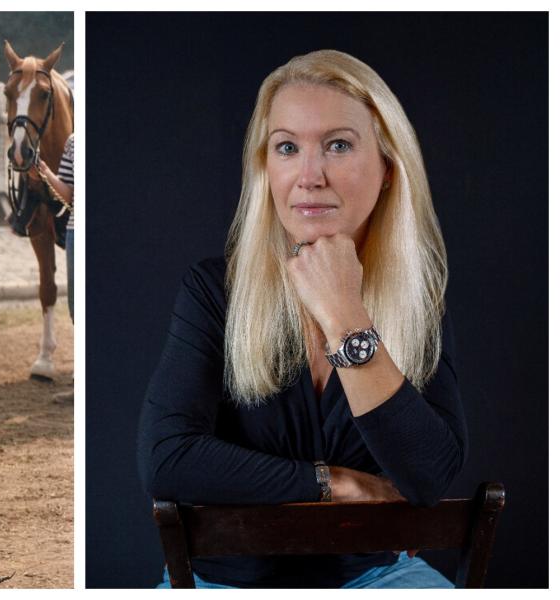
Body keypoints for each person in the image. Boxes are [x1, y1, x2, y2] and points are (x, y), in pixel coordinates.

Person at [137, 50, 467, 588]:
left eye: (338, 145)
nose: (309, 176)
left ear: (387, 167)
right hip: (222, 584)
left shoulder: (419, 299)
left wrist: (345, 316)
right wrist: (328, 482)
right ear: (265, 168)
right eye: (287, 147)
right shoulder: (213, 290)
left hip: (378, 578)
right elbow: (166, 459)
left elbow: (428, 475)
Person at [37, 132, 75, 322]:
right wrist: (46, 172)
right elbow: (68, 195)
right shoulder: (73, 141)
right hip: (75, 231)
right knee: (76, 307)